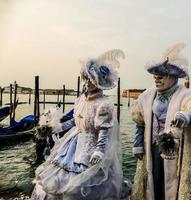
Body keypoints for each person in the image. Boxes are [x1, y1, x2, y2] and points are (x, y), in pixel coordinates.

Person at [31, 49, 125, 200]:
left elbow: (103, 130)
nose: (87, 83)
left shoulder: (104, 104)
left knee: (83, 187)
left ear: (99, 82)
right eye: (86, 78)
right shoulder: (80, 100)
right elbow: (75, 121)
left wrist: (99, 150)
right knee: (57, 179)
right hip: (73, 143)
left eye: (91, 80)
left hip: (90, 147)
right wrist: (54, 128)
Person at [131, 43, 191, 200]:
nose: (156, 79)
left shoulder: (187, 96)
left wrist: (186, 117)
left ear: (173, 76)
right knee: (154, 180)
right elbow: (140, 122)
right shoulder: (146, 96)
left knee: (173, 182)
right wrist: (138, 143)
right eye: (155, 75)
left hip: (176, 151)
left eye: (161, 75)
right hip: (151, 148)